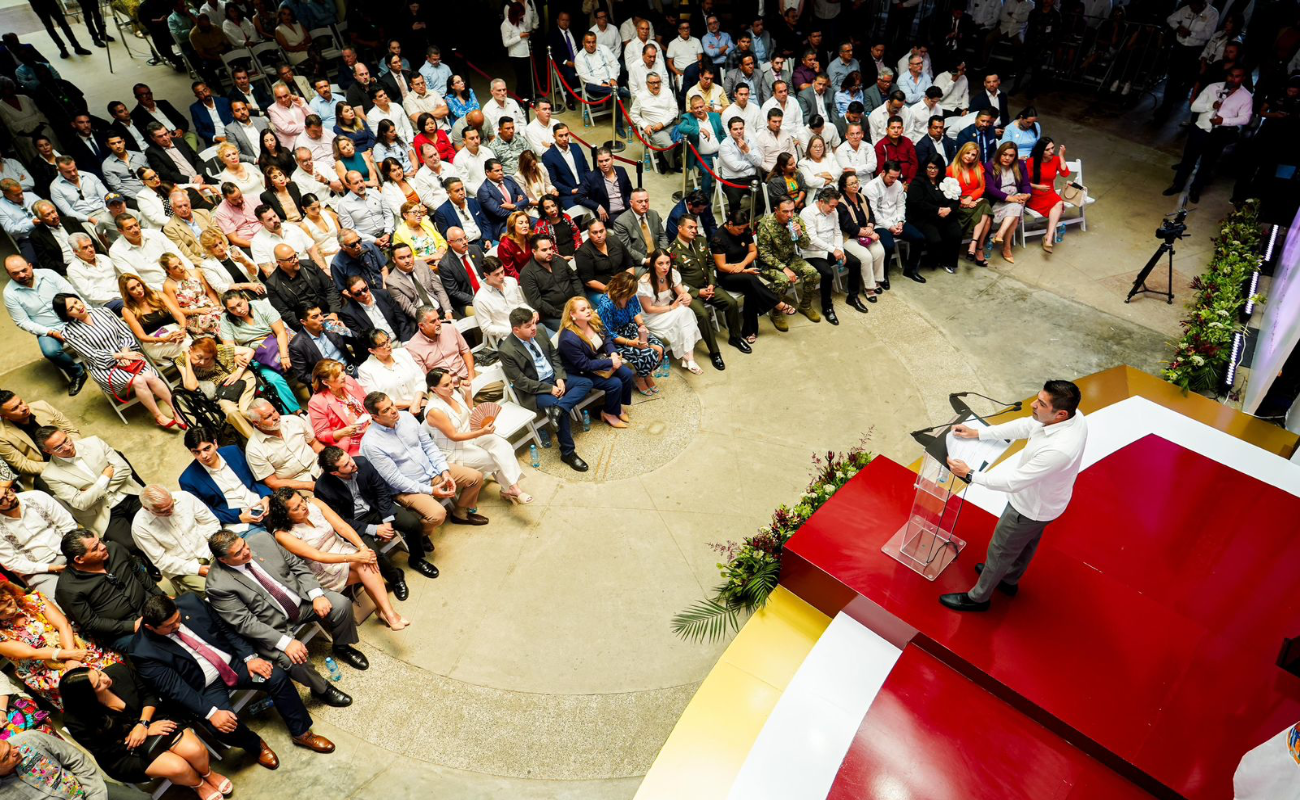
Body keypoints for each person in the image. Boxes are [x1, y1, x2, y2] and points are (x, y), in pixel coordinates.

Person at [128, 592, 335, 770]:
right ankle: (256, 745)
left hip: (233, 664)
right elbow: (176, 689)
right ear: (150, 627)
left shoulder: (191, 601)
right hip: (204, 686)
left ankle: (301, 733)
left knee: (277, 677)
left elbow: (226, 629)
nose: (178, 625)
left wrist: (249, 658)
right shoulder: (142, 652)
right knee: (222, 726)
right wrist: (212, 713)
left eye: (178, 618)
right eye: (169, 626)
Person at [941, 380, 1088, 611]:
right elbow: (1027, 426)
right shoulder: (1074, 416)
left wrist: (969, 474)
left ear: (1060, 414)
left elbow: (1013, 482)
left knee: (1000, 550)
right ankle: (1008, 580)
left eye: (1040, 403)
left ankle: (978, 598)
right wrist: (979, 433)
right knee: (1027, 544)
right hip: (1050, 504)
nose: (1033, 405)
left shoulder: (1058, 450)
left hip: (1029, 508)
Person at [204, 528, 367, 702]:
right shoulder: (217, 585)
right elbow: (246, 623)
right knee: (293, 659)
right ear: (222, 559)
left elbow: (297, 565)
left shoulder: (263, 540)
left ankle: (342, 647)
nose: (246, 551)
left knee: (341, 604)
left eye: (244, 545)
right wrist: (286, 643)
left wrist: (316, 595)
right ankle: (321, 689)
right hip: (271, 626)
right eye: (238, 553)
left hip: (302, 602)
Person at [265, 488, 408, 630]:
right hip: (323, 568)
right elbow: (317, 556)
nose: (304, 506)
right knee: (366, 566)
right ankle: (389, 614)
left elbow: (342, 526)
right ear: (285, 515)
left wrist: (362, 547)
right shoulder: (283, 534)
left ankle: (387, 613)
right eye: (297, 508)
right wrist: (355, 556)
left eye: (302, 500)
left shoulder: (314, 503)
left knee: (366, 562)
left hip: (343, 548)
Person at [359, 390, 488, 527]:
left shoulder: (406, 417)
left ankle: (460, 513)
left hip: (432, 471)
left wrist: (444, 470)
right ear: (375, 417)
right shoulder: (371, 443)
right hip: (408, 488)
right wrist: (431, 491)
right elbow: (395, 479)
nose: (393, 411)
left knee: (476, 477)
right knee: (437, 515)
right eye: (386, 410)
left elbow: (429, 446)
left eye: (392, 404)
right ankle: (421, 535)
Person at [54, 293, 184, 428]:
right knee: (138, 381)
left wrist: (125, 352)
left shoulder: (103, 312)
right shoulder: (69, 333)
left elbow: (125, 333)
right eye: (71, 309)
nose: (78, 307)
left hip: (127, 353)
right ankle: (158, 415)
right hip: (105, 366)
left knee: (150, 376)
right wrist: (120, 357)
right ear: (67, 315)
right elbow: (92, 355)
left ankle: (176, 410)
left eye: (76, 302)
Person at [316, 446, 438, 583]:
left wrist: (387, 522)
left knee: (413, 524)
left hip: (376, 508)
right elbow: (340, 521)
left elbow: (381, 491)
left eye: (349, 457)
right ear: (334, 473)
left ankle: (416, 559)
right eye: (346, 465)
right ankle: (395, 578)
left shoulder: (362, 463)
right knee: (372, 554)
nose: (352, 463)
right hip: (355, 522)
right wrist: (375, 530)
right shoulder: (323, 489)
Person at [498, 308, 590, 471]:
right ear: (516, 330)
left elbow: (554, 355)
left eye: (533, 323)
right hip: (535, 389)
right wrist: (549, 388)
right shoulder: (507, 350)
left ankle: (559, 409)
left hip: (553, 378)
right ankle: (568, 453)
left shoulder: (539, 331)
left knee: (585, 383)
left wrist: (560, 377)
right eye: (528, 326)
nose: (533, 327)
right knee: (556, 407)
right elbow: (521, 382)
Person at [424, 366, 533, 501]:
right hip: (455, 449)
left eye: (451, 381)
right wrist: (482, 432)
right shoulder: (434, 411)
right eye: (446, 385)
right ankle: (510, 489)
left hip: (470, 435)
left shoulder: (453, 393)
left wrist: (468, 393)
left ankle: (513, 488)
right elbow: (454, 436)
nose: (451, 386)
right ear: (434, 389)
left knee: (504, 446)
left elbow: (468, 412)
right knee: (494, 459)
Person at [34, 429, 143, 554]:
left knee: (161, 519)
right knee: (130, 545)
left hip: (127, 493)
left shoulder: (94, 442)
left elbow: (124, 469)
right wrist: (105, 478)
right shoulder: (50, 475)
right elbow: (80, 503)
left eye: (66, 440)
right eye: (58, 448)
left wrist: (93, 490)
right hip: (102, 512)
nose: (67, 447)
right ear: (48, 451)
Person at [55, 529, 165, 652]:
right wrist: (131, 626)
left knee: (183, 613)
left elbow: (139, 573)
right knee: (154, 650)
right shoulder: (67, 589)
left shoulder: (114, 549)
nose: (103, 547)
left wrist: (161, 596)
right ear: (79, 559)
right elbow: (91, 623)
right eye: (95, 548)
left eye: (100, 541)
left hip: (148, 604)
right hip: (120, 630)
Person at [1164, 66, 1251, 205]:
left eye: (1237, 76)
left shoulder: (1246, 96)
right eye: (1231, 75)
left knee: (1207, 163)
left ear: (1243, 78)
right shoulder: (1213, 87)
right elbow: (1194, 107)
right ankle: (1177, 185)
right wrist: (1211, 105)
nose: (1233, 79)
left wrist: (1224, 121)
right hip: (1201, 128)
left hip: (1220, 133)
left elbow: (1245, 118)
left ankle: (1195, 190)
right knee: (1188, 159)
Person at [2, 257, 88, 394]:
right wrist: (50, 333)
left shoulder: (49, 274)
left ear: (30, 266)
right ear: (9, 274)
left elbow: (73, 295)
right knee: (50, 351)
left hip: (71, 316)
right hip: (48, 328)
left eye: (24, 270)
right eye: (15, 273)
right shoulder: (9, 294)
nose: (21, 275)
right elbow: (22, 321)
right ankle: (77, 372)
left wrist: (87, 313)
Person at [671, 213, 746, 364]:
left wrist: (711, 283)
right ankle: (714, 352)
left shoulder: (701, 241)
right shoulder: (672, 252)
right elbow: (675, 281)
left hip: (709, 286)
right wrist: (698, 292)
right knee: (704, 315)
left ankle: (735, 337)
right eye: (690, 227)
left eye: (695, 227)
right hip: (690, 293)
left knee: (731, 303)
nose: (694, 230)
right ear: (680, 228)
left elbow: (710, 263)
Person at [710, 210, 789, 339]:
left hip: (746, 273)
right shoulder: (718, 238)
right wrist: (744, 270)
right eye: (739, 229)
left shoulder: (745, 230)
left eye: (744, 228)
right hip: (728, 276)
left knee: (751, 289)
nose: (742, 231)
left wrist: (742, 265)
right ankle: (775, 303)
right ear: (730, 224)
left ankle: (749, 331)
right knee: (751, 280)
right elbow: (722, 266)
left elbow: (753, 251)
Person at [177, 428, 272, 533]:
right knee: (262, 542)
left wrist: (266, 496)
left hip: (262, 502)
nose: (203, 455)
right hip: (237, 522)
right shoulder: (187, 480)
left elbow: (255, 477)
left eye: (207, 448)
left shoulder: (233, 451)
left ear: (215, 443)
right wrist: (239, 518)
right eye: (196, 452)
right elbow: (206, 512)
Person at [131, 485, 220, 594]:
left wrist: (216, 546)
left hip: (208, 549)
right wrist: (197, 569)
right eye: (163, 511)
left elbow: (209, 522)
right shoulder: (140, 527)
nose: (171, 511)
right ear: (146, 508)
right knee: (215, 591)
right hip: (181, 567)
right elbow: (161, 560)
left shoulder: (185, 497)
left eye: (172, 505)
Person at [0, 486, 78, 597]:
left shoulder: (37, 496)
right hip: (39, 570)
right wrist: (50, 568)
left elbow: (67, 524)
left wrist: (72, 550)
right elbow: (12, 562)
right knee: (65, 600)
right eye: (2, 500)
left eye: (7, 492)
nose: (11, 498)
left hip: (69, 549)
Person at [636, 251, 705, 375]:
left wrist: (687, 296)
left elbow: (682, 292)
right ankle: (688, 358)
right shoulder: (644, 282)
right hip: (652, 317)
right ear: (653, 264)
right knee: (684, 313)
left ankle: (689, 358)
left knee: (686, 312)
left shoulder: (672, 274)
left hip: (668, 310)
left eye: (667, 263)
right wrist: (672, 307)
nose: (665, 267)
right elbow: (648, 309)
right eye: (660, 263)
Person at [755, 196, 823, 321]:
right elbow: (764, 254)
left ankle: (805, 306)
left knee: (813, 273)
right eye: (785, 211)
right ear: (776, 210)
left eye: (792, 210)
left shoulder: (795, 220)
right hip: (769, 264)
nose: (790, 214)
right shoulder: (765, 225)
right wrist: (784, 268)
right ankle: (776, 313)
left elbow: (805, 245)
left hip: (789, 257)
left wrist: (799, 234)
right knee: (782, 281)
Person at [864, 162, 926, 282]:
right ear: (883, 173)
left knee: (919, 238)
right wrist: (890, 227)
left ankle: (910, 270)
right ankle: (883, 276)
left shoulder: (897, 185)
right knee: (888, 245)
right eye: (891, 177)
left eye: (896, 177)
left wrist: (900, 221)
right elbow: (873, 214)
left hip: (895, 220)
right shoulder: (870, 188)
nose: (893, 180)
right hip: (880, 224)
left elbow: (901, 205)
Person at [244, 401, 323, 494]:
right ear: (256, 423)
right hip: (296, 485)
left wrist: (331, 461)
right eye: (268, 416)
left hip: (319, 466)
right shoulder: (254, 449)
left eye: (274, 411)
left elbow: (314, 444)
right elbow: (272, 483)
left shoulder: (293, 421)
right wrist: (310, 485)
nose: (276, 417)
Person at [835, 172, 888, 311]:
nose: (855, 185)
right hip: (849, 237)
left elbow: (871, 215)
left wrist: (870, 226)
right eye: (851, 183)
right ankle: (868, 287)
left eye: (856, 182)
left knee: (879, 251)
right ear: (844, 187)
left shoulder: (863, 197)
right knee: (865, 257)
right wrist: (868, 233)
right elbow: (847, 226)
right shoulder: (840, 203)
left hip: (866, 233)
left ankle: (877, 281)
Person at [0, 391, 78, 480]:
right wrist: (60, 465)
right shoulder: (2, 436)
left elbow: (71, 431)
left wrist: (74, 450)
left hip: (71, 450)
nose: (23, 408)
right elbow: (23, 464)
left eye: (21, 402)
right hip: (45, 468)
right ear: (4, 416)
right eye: (15, 408)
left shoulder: (41, 406)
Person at [264, 238, 342, 327]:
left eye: (295, 255)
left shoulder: (309, 265)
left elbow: (330, 288)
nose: (296, 260)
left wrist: (334, 312)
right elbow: (285, 313)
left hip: (329, 311)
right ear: (279, 262)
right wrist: (308, 325)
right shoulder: (272, 284)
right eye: (290, 259)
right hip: (306, 324)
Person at [907, 156, 964, 275]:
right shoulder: (918, 182)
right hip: (924, 217)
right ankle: (934, 261)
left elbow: (956, 200)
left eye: (936, 168)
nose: (932, 171)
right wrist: (937, 210)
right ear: (925, 168)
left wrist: (949, 209)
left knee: (956, 233)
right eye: (930, 167)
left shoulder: (946, 180)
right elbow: (917, 203)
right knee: (935, 239)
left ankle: (949, 263)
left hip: (945, 215)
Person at [218, 286, 292, 375]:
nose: (238, 310)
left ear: (245, 299)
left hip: (278, 342)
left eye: (239, 304)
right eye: (232, 309)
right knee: (273, 379)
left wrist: (284, 356)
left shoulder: (260, 306)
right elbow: (229, 346)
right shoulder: (226, 319)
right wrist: (236, 356)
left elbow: (280, 332)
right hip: (257, 355)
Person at [307, 359, 370, 457]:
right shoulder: (317, 402)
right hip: (352, 443)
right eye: (337, 376)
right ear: (325, 382)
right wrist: (342, 432)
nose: (343, 376)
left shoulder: (349, 380)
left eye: (342, 370)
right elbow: (321, 434)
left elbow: (366, 402)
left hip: (371, 429)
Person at [357, 329, 426, 417]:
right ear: (372, 350)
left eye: (387, 340)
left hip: (420, 401)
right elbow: (379, 401)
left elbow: (420, 378)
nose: (388, 345)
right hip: (396, 413)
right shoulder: (365, 370)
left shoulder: (403, 353)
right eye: (382, 344)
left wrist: (417, 402)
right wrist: (413, 404)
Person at [386, 239, 453, 322]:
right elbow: (408, 307)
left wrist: (447, 310)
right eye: (402, 258)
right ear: (394, 260)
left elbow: (439, 289)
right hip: (421, 318)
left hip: (441, 309)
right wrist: (427, 319)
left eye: (409, 256)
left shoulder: (422, 265)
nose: (407, 260)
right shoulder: (392, 282)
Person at [948, 143, 993, 266]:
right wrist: (964, 202)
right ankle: (978, 249)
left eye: (973, 155)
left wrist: (971, 198)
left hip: (974, 201)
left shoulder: (978, 167)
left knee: (985, 205)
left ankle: (974, 244)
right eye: (967, 153)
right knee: (987, 215)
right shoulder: (951, 169)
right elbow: (947, 193)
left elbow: (981, 187)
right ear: (962, 152)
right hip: (959, 205)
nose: (969, 157)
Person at [1024, 137, 1071, 253]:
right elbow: (1023, 182)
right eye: (1047, 149)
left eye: (1053, 148)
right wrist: (1037, 186)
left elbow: (1065, 173)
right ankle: (1048, 238)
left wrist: (1061, 156)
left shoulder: (1055, 160)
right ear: (1041, 151)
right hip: (1034, 194)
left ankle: (1048, 237)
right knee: (1057, 205)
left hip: (1049, 193)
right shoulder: (1031, 162)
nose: (1051, 151)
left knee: (1059, 203)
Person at [986, 142, 1030, 263]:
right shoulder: (990, 166)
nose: (1007, 158)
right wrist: (1011, 198)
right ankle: (1006, 247)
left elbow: (1026, 184)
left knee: (1016, 207)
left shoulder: (1020, 165)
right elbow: (990, 189)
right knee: (1016, 208)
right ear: (999, 153)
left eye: (1011, 155)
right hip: (997, 202)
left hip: (1016, 200)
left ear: (1015, 157)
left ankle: (1000, 234)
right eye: (1004, 154)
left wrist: (1027, 195)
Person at [473, 257, 532, 345]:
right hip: (506, 336)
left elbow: (520, 303)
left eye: (502, 272)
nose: (501, 276)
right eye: (497, 274)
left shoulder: (511, 282)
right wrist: (512, 330)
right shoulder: (480, 299)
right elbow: (486, 327)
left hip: (526, 326)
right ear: (486, 275)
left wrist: (532, 311)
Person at [577, 147, 634, 222]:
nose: (604, 164)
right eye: (601, 161)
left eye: (607, 160)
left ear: (613, 158)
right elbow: (579, 197)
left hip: (627, 208)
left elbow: (629, 191)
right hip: (610, 215)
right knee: (627, 225)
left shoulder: (621, 170)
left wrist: (632, 204)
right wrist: (598, 207)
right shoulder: (591, 177)